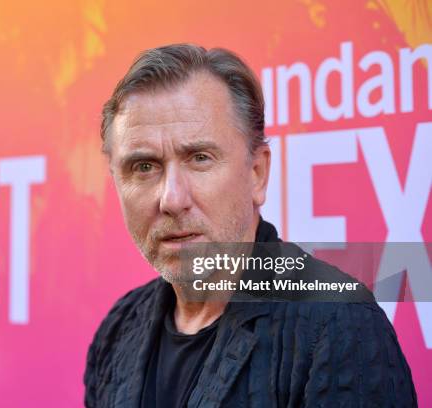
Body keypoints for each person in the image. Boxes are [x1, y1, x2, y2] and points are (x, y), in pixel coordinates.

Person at [84, 43, 416, 407]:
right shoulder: (118, 330)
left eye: (199, 158)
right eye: (144, 166)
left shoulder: (339, 326)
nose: (172, 198)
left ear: (257, 174)